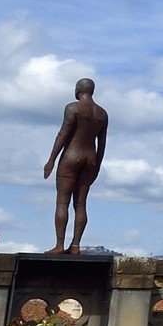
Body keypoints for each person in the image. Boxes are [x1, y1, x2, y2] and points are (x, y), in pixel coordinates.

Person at [42, 75, 108, 255]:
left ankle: (59, 245)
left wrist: (51, 160)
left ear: (78, 89)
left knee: (62, 202)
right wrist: (97, 166)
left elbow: (63, 134)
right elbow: (102, 145)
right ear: (92, 91)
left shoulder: (72, 108)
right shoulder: (102, 113)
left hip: (71, 157)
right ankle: (76, 245)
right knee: (81, 204)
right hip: (90, 159)